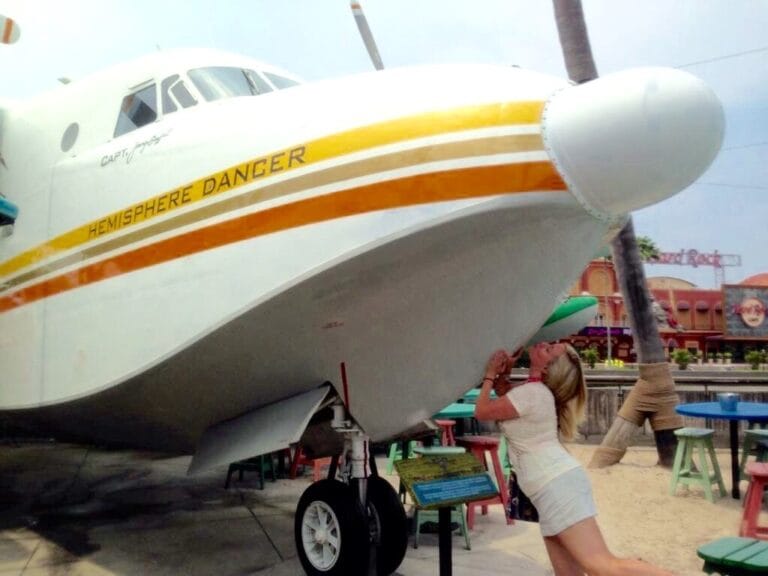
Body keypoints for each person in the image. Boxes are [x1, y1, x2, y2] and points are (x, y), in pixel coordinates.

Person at [474, 343, 674, 576]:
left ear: (547, 368)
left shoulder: (533, 393)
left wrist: (489, 374)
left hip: (556, 486)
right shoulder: (533, 392)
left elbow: (482, 412)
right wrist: (503, 374)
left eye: (548, 350)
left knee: (602, 565)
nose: (544, 345)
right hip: (552, 487)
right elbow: (505, 398)